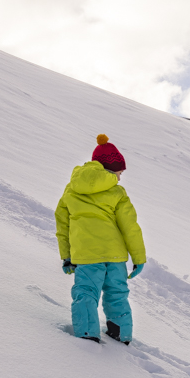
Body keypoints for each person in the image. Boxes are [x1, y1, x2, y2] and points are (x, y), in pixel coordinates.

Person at [55, 134, 146, 344]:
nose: (120, 177)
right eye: (119, 172)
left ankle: (88, 334)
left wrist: (67, 256)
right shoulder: (117, 192)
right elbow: (130, 227)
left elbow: (63, 225)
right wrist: (139, 258)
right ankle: (120, 334)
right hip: (115, 256)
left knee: (86, 293)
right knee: (117, 293)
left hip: (86, 256)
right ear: (112, 170)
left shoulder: (71, 190)